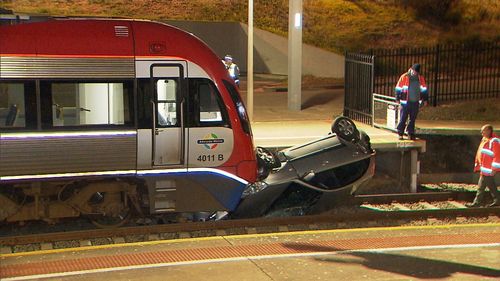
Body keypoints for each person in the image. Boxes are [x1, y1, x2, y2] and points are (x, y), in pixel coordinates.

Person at [467, 124, 500, 207]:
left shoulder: (494, 141)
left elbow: (497, 155)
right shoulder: (485, 139)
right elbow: (480, 152)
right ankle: (479, 202)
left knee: (485, 187)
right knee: (484, 186)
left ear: (489, 131)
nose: (481, 132)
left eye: (483, 130)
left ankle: (478, 202)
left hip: (488, 169)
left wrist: (494, 169)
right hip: (484, 169)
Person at [395, 63, 428, 140]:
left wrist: (425, 99)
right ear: (411, 69)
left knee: (412, 119)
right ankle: (400, 133)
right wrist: (397, 99)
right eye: (414, 71)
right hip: (405, 102)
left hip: (415, 102)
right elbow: (398, 88)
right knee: (403, 118)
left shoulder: (420, 78)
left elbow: (424, 90)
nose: (414, 73)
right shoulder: (404, 77)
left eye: (416, 72)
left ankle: (410, 133)